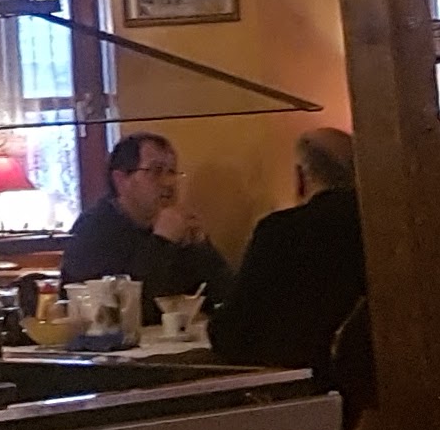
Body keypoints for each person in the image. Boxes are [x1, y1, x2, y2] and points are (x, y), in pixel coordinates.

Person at [212, 127, 368, 385]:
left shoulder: (280, 231)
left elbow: (233, 332)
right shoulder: (383, 227)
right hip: (369, 380)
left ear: (301, 176)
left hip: (297, 385)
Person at [59, 131, 231, 306]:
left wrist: (201, 245)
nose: (169, 182)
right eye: (156, 171)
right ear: (121, 180)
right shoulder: (92, 230)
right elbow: (122, 308)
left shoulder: (176, 226)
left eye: (172, 172)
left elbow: (228, 299)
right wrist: (162, 242)